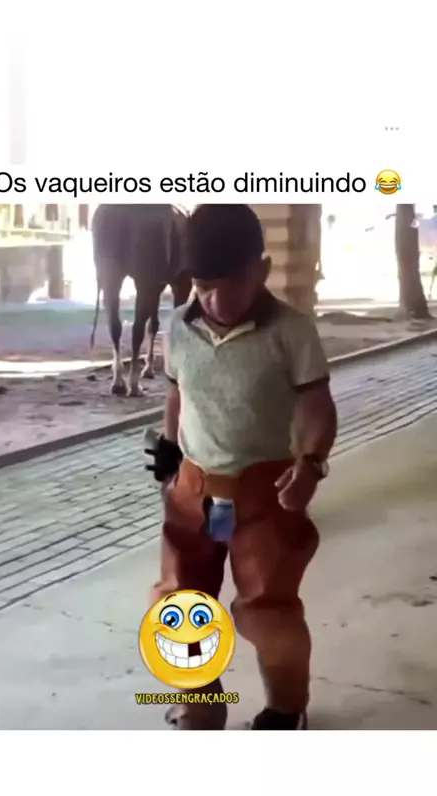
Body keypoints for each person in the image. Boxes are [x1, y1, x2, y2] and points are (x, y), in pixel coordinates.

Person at [145, 204, 338, 730]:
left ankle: (285, 707)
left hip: (265, 494)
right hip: (192, 489)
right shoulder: (179, 327)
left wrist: (311, 464)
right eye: (204, 286)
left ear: (262, 270)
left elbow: (317, 405)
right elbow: (177, 393)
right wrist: (169, 448)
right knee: (180, 603)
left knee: (267, 609)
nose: (215, 300)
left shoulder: (292, 331)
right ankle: (202, 703)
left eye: (230, 284)